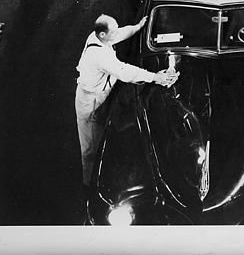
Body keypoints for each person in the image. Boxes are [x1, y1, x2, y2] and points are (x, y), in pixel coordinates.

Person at [75, 14, 179, 187]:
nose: (117, 34)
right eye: (113, 32)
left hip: (102, 93)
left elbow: (120, 34)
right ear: (102, 34)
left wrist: (137, 27)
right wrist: (155, 77)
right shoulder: (99, 55)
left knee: (103, 134)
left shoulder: (100, 37)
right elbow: (124, 71)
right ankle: (90, 185)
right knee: (91, 146)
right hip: (91, 100)